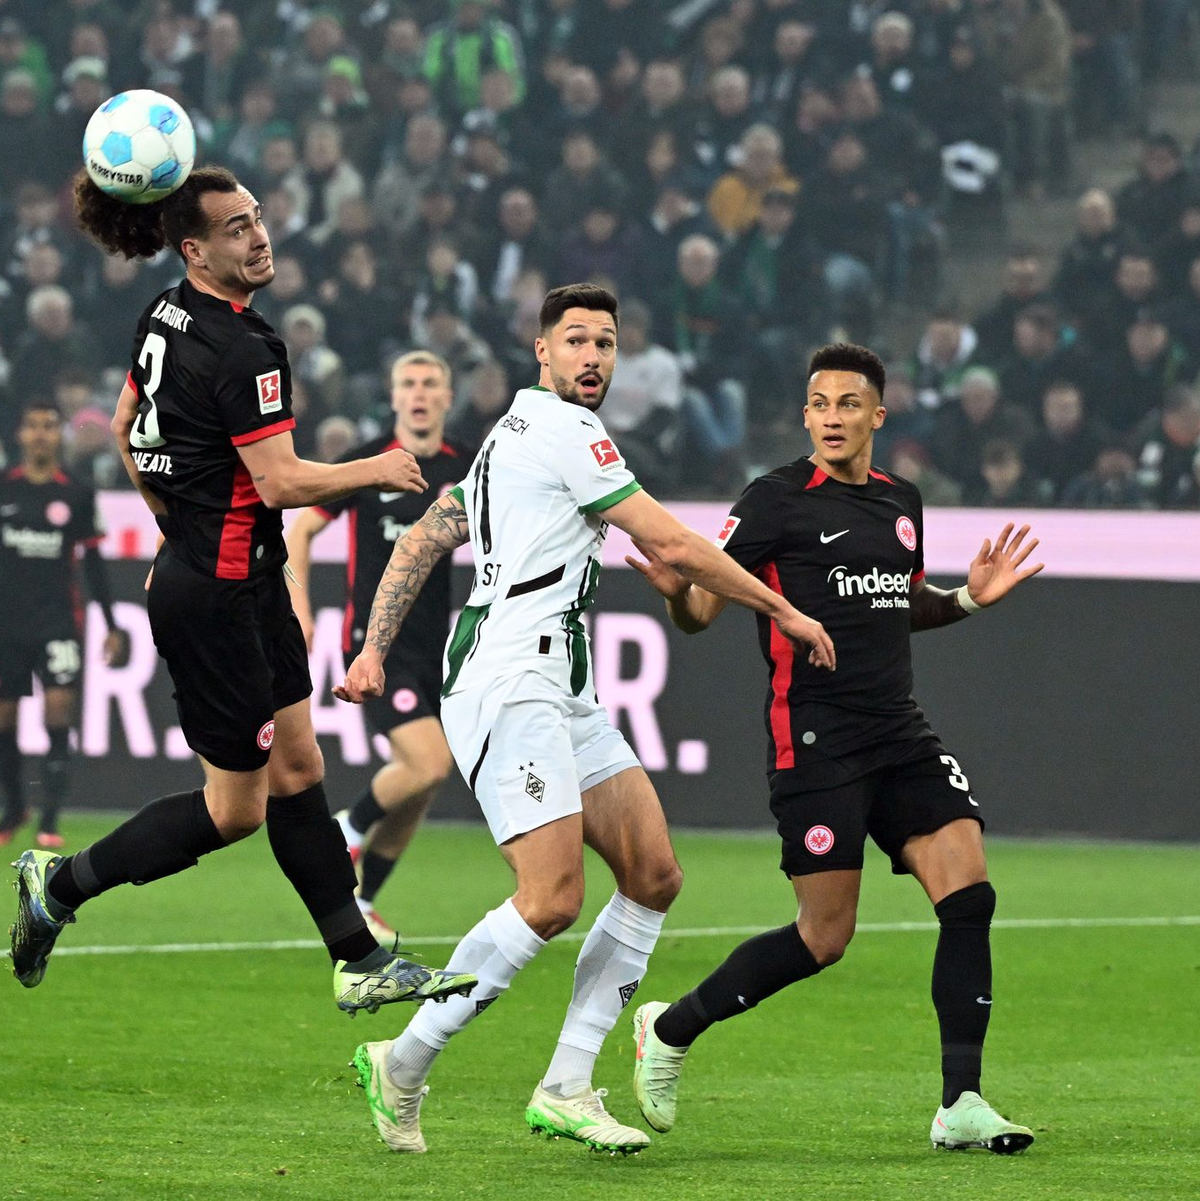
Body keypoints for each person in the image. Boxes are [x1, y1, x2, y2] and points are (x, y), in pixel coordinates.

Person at [335, 283, 835, 1156]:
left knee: (653, 873)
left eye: (607, 341)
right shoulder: (566, 432)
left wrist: (374, 646)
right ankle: (404, 1059)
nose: (594, 357)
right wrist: (782, 610)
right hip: (510, 677)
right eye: (577, 341)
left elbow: (422, 536)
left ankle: (566, 1083)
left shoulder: (504, 439)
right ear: (542, 351)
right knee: (551, 896)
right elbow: (672, 544)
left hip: (560, 685)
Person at [9, 165, 475, 1017]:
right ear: (194, 249)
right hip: (217, 599)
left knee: (303, 766)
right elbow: (279, 482)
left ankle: (359, 957)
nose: (258, 235)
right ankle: (60, 886)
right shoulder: (245, 344)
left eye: (258, 217)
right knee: (235, 810)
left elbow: (123, 428)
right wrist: (374, 467)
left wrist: (178, 525)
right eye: (234, 228)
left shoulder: (163, 310)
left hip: (238, 580)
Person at [626, 342, 1041, 1156]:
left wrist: (965, 598)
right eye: (819, 403)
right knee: (824, 936)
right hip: (815, 738)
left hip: (900, 731)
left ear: (877, 415)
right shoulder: (775, 500)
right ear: (806, 414)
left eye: (849, 404)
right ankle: (670, 1026)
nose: (832, 418)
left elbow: (895, 602)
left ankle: (961, 1100)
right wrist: (679, 595)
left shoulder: (901, 500)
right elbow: (703, 612)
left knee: (969, 893)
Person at [287, 351, 467, 951]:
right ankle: (348, 828)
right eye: (408, 383)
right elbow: (301, 529)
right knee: (428, 763)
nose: (418, 393)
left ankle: (362, 900)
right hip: (374, 645)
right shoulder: (369, 464)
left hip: (437, 647)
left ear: (447, 396)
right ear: (393, 396)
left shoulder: (465, 467)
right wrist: (302, 607)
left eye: (430, 383)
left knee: (423, 783)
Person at [0, 401, 127, 849]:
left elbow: (93, 565)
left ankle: (49, 817)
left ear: (60, 436)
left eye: (49, 427)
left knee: (58, 713)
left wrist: (111, 624)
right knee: (5, 720)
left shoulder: (76, 493)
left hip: (57, 624)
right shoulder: (4, 489)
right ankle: (14, 805)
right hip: (6, 629)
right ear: (20, 435)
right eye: (32, 426)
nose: (40, 435)